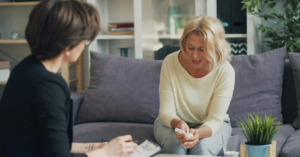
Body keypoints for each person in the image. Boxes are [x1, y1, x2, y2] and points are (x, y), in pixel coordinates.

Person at [0, 0, 137, 157]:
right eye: (84, 39)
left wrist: (96, 147)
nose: (84, 45)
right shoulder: (49, 86)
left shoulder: (24, 68)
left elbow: (46, 143)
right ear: (67, 46)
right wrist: (105, 153)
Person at [154, 15, 235, 156]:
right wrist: (179, 123)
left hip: (212, 125)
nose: (194, 55)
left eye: (202, 50)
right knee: (176, 147)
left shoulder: (225, 70)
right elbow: (165, 111)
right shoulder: (170, 62)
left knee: (202, 149)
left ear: (215, 48)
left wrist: (197, 133)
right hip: (173, 123)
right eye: (190, 48)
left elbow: (215, 120)